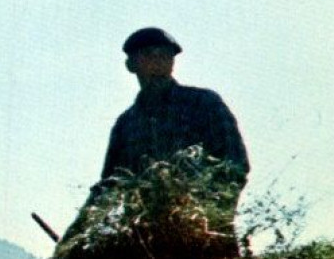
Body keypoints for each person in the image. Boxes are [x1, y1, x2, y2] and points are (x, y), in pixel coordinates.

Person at [98, 27, 250, 229]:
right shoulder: (125, 125)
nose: (159, 62)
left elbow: (234, 166)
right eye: (149, 55)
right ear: (131, 65)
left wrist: (209, 216)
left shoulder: (203, 103)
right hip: (143, 238)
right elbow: (109, 187)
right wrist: (72, 239)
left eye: (166, 56)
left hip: (204, 233)